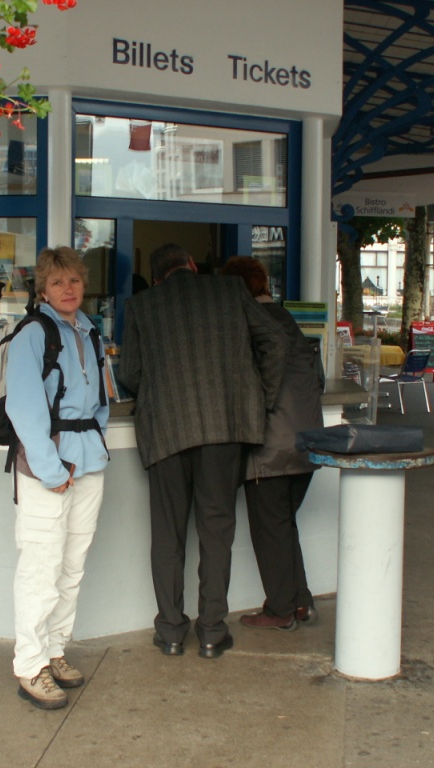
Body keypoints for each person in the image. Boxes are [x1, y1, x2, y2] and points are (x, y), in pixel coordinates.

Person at [118, 243, 286, 659]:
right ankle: (211, 631)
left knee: (167, 535)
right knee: (216, 532)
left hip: (165, 430)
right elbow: (275, 341)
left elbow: (131, 373)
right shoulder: (229, 291)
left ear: (156, 277)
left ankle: (171, 632)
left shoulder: (141, 305)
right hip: (221, 429)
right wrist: (259, 398)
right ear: (192, 265)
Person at [5, 246, 110, 710]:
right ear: (43, 290)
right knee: (40, 568)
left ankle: (54, 650)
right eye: (57, 282)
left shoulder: (90, 332)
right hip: (49, 468)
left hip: (88, 464)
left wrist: (97, 445)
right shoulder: (33, 333)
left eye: (74, 280)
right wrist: (51, 470)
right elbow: (24, 407)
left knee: (72, 566)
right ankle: (30, 665)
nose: (68, 289)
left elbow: (100, 401)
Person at [219, 256, 324, 631]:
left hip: (271, 447)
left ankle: (281, 610)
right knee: (284, 526)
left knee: (270, 532)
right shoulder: (286, 318)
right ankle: (300, 602)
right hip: (308, 440)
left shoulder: (250, 322)